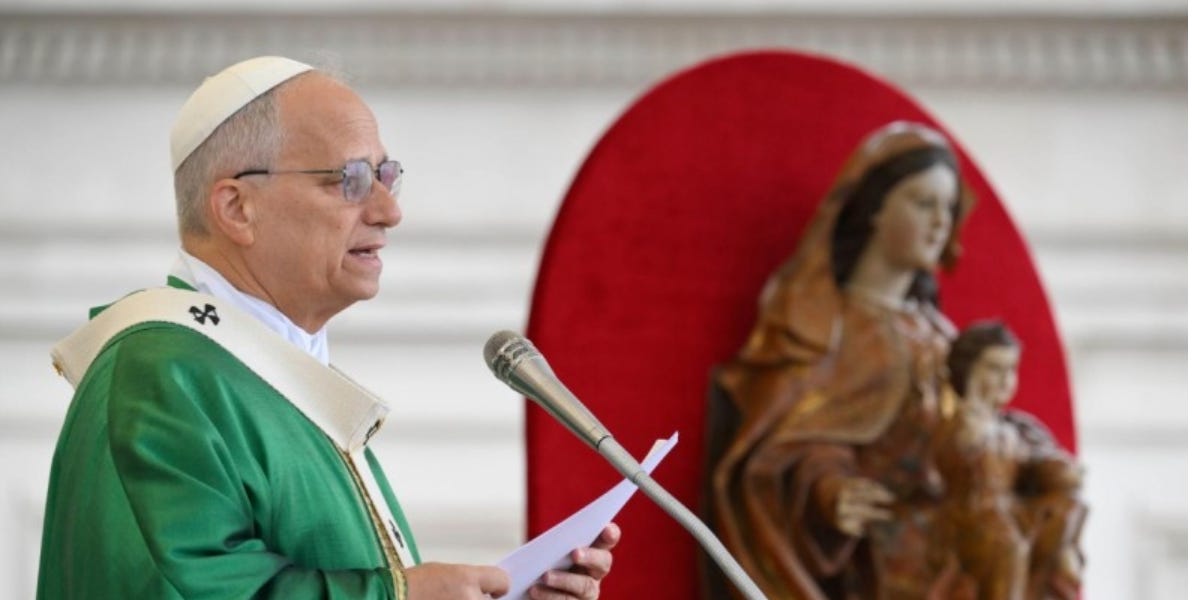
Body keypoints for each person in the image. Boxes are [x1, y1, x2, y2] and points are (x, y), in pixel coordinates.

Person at [37, 56, 618, 600]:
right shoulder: (161, 373)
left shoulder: (273, 373)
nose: (389, 211)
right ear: (237, 208)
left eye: (387, 175)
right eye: (352, 179)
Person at [704, 122, 972, 599]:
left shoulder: (943, 338)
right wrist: (829, 490)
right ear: (875, 208)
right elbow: (781, 449)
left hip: (949, 554)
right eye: (923, 202)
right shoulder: (822, 324)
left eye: (948, 208)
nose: (940, 223)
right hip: (873, 564)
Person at [934, 321, 1085, 600]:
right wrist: (972, 412)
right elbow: (955, 456)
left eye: (1011, 370)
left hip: (1009, 514)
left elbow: (1037, 461)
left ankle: (1055, 566)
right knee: (1007, 545)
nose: (1005, 380)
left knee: (1068, 508)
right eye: (994, 369)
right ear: (969, 371)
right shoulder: (961, 422)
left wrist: (1060, 471)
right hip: (972, 517)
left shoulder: (1017, 427)